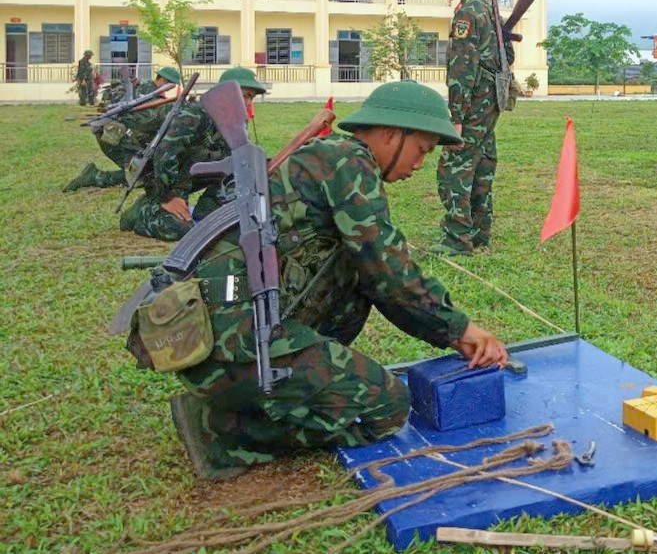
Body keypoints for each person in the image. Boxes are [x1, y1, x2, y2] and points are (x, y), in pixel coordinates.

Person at [125, 80, 509, 480]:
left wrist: (449, 331)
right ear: (393, 134)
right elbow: (391, 271)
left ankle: (265, 391)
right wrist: (462, 331)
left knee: (353, 283)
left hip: (223, 335)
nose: (420, 163)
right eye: (422, 150)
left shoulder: (330, 159)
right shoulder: (347, 162)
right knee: (386, 407)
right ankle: (220, 430)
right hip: (232, 341)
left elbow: (378, 280)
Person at [428, 0, 513, 256]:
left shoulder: (466, 14)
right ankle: (479, 233)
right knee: (482, 164)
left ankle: (457, 239)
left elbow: (462, 70)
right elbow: (507, 57)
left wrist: (455, 117)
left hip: (474, 103)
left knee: (454, 167)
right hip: (492, 103)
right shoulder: (489, 8)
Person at [118, 67, 265, 241]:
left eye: (251, 98)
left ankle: (208, 210)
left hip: (198, 177)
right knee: (181, 230)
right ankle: (143, 212)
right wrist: (170, 196)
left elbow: (237, 161)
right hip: (168, 183)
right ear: (225, 93)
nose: (248, 103)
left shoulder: (235, 122)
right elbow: (164, 154)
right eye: (245, 95)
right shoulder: (196, 114)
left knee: (223, 223)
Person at [64, 66, 183, 192]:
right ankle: (94, 177)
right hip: (118, 138)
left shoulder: (141, 88)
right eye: (172, 84)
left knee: (143, 171)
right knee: (141, 175)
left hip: (111, 134)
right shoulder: (153, 99)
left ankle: (95, 175)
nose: (173, 88)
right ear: (164, 80)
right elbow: (150, 124)